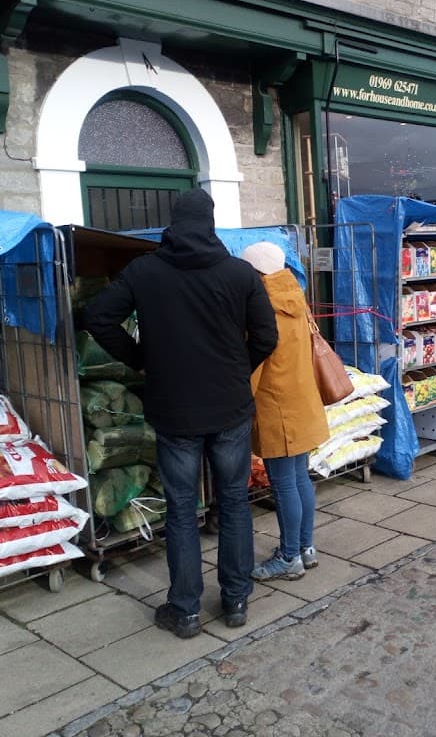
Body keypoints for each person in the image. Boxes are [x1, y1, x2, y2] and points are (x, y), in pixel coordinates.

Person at [83, 189, 278, 638]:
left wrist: (138, 358)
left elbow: (98, 317)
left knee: (182, 508)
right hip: (229, 406)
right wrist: (236, 370)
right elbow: (266, 337)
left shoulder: (145, 271)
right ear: (210, 223)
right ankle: (236, 600)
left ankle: (186, 609)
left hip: (174, 409)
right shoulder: (239, 273)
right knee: (232, 502)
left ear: (173, 223)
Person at [240, 242, 330, 580]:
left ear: (255, 271)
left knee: (283, 485)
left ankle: (289, 556)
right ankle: (306, 548)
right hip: (302, 399)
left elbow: (257, 360)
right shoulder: (294, 294)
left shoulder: (261, 303)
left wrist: (238, 399)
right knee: (299, 477)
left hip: (277, 404)